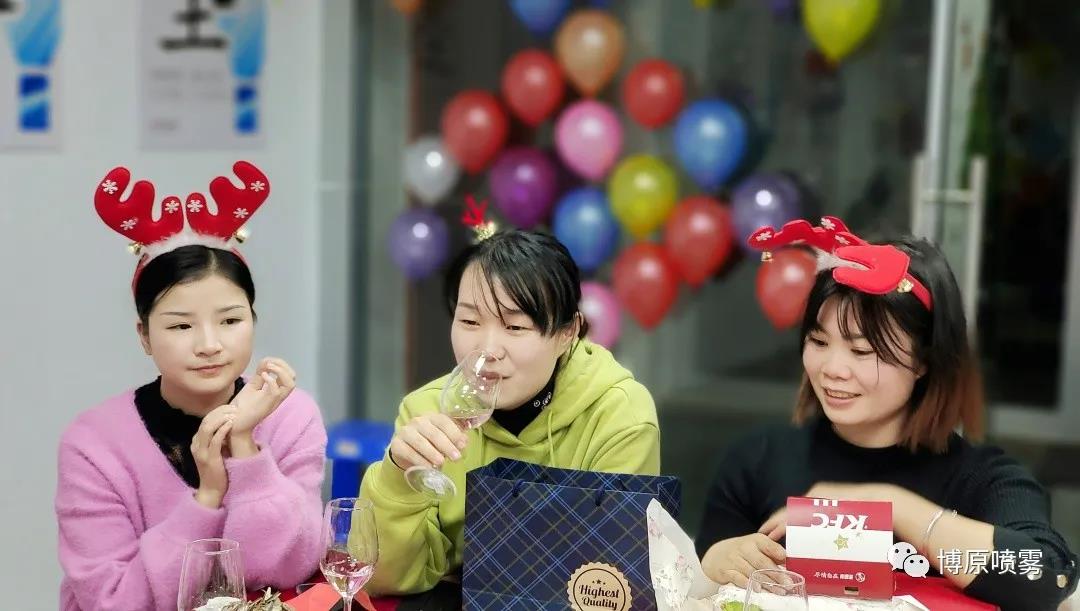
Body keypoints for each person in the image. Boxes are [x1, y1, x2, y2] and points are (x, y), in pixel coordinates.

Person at [695, 217, 1077, 610]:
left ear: (924, 360)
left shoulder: (982, 480)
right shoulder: (757, 462)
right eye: (819, 341)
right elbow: (700, 579)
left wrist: (889, 506)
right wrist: (716, 560)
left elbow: (1047, 578)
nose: (832, 369)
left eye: (862, 350)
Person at [56, 162, 327, 610]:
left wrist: (245, 449)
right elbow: (112, 601)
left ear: (253, 320)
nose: (209, 345)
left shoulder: (291, 415)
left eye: (231, 321)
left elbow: (287, 570)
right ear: (144, 336)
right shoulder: (93, 445)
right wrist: (207, 497)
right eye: (181, 326)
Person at [360, 220, 661, 596]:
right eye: (469, 321)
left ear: (567, 332)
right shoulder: (427, 411)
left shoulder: (618, 415)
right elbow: (380, 580)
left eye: (515, 327)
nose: (487, 350)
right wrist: (397, 474)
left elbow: (610, 583)